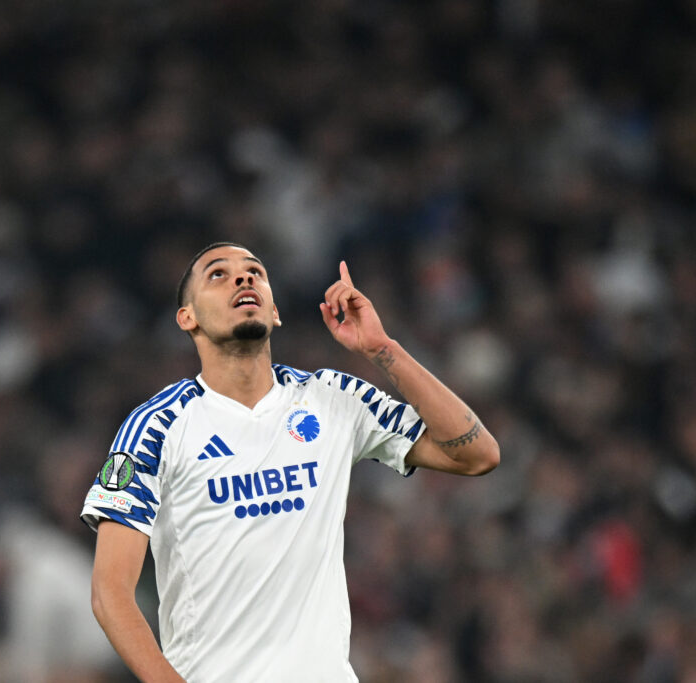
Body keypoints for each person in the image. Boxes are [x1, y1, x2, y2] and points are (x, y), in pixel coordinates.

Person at [80, 242, 500, 682]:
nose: (243, 278)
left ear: (275, 311)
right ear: (188, 318)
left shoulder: (332, 398)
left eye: (255, 272)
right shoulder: (157, 426)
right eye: (218, 274)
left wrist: (381, 349)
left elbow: (476, 454)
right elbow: (110, 594)